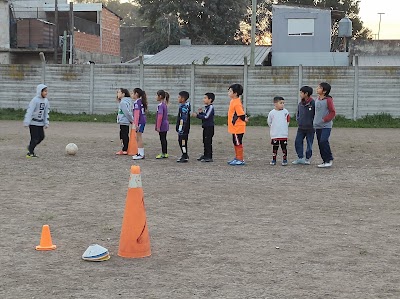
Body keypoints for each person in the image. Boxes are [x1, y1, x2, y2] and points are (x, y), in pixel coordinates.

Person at [23, 84, 50, 158]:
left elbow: (46, 112)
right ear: (40, 91)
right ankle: (30, 153)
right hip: (33, 123)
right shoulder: (35, 100)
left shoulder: (46, 101)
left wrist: (46, 122)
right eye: (44, 91)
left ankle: (30, 147)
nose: (46, 93)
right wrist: (27, 121)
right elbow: (30, 111)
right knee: (34, 138)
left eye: (46, 91)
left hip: (40, 123)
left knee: (41, 137)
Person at [314, 82, 336, 168]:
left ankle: (329, 159)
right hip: (317, 125)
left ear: (324, 91)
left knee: (323, 140)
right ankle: (324, 161)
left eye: (319, 87)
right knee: (320, 143)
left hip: (326, 125)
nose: (317, 89)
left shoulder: (328, 100)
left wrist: (325, 119)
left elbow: (332, 112)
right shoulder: (317, 99)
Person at [292, 86, 315, 165]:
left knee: (309, 143)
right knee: (297, 142)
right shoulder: (300, 103)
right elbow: (298, 113)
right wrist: (298, 120)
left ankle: (307, 158)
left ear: (306, 94)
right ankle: (300, 158)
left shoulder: (313, 103)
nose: (300, 94)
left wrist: (313, 123)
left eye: (301, 93)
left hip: (310, 128)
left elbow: (316, 114)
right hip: (301, 127)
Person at [227, 84, 248, 166]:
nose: (228, 93)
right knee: (235, 142)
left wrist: (244, 119)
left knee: (238, 143)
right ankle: (237, 157)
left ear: (235, 93)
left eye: (230, 91)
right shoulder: (233, 101)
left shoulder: (237, 103)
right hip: (234, 127)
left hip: (237, 127)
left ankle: (240, 159)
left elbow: (241, 114)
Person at [192, 92, 215, 162]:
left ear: (210, 99)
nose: (203, 99)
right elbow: (204, 115)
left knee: (208, 141)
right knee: (205, 141)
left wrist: (197, 116)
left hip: (209, 127)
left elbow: (206, 117)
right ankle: (205, 155)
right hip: (205, 127)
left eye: (205, 98)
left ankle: (209, 156)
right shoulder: (207, 107)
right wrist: (201, 113)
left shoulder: (211, 107)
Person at [267, 96, 290, 166]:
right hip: (275, 134)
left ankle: (285, 159)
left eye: (283, 103)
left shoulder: (286, 112)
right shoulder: (272, 113)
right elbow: (269, 122)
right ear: (275, 104)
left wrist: (284, 128)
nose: (282, 104)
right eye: (281, 103)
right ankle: (274, 159)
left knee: (284, 147)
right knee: (275, 147)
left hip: (283, 134)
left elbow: (288, 121)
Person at [131, 88, 148, 160]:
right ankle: (140, 153)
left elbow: (137, 114)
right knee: (138, 137)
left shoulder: (136, 102)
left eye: (132, 93)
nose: (131, 94)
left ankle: (141, 154)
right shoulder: (140, 101)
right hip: (142, 121)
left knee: (139, 137)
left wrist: (136, 124)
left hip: (140, 121)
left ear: (136, 94)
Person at [116, 88, 133, 155]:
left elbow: (126, 112)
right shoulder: (127, 101)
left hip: (124, 121)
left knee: (124, 135)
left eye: (119, 92)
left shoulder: (123, 102)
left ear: (123, 94)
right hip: (124, 121)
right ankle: (125, 148)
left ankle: (125, 149)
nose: (118, 94)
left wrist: (131, 120)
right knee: (124, 134)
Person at [176, 91, 191, 163]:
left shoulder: (184, 107)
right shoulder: (183, 106)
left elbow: (183, 119)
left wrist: (180, 128)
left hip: (183, 128)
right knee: (181, 141)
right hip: (183, 127)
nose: (177, 98)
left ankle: (185, 155)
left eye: (179, 97)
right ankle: (184, 154)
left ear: (183, 98)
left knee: (182, 142)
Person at [155, 90, 170, 159]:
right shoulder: (164, 105)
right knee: (164, 138)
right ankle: (165, 152)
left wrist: (158, 126)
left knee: (162, 139)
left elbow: (160, 116)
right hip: (165, 123)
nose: (156, 97)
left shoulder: (160, 105)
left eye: (157, 95)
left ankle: (163, 153)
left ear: (160, 96)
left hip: (162, 124)